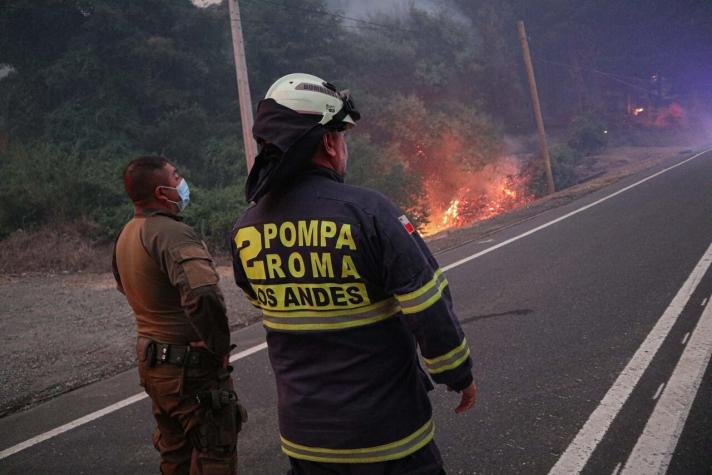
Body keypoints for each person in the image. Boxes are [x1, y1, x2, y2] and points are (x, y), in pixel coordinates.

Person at [230, 74, 476, 474]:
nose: (344, 147)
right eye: (342, 135)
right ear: (327, 141)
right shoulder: (369, 212)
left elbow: (267, 299)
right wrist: (457, 373)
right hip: (389, 438)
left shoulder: (245, 229)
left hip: (306, 442)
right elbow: (428, 306)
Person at [113, 156, 244, 475]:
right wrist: (218, 346)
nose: (182, 180)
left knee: (175, 456)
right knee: (215, 453)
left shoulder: (127, 233)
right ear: (161, 191)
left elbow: (124, 286)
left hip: (155, 366)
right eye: (176, 176)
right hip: (191, 370)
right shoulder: (172, 233)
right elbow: (203, 294)